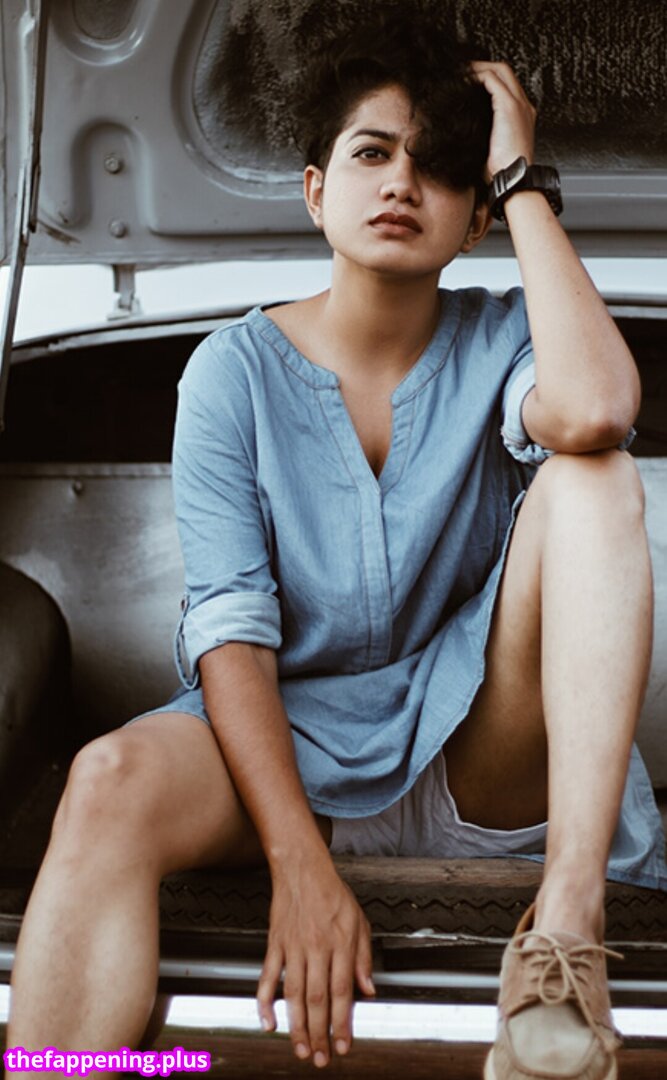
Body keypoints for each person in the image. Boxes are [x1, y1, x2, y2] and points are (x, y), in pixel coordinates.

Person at [7, 11, 666, 1080]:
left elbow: (594, 409)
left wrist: (522, 180)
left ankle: (564, 932)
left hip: (477, 748)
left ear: (476, 216)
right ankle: (56, 1073)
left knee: (592, 472)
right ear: (315, 190)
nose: (402, 182)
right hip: (293, 752)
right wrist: (298, 866)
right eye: (372, 153)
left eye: (439, 167)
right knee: (108, 777)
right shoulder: (231, 372)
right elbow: (229, 629)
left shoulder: (507, 333)